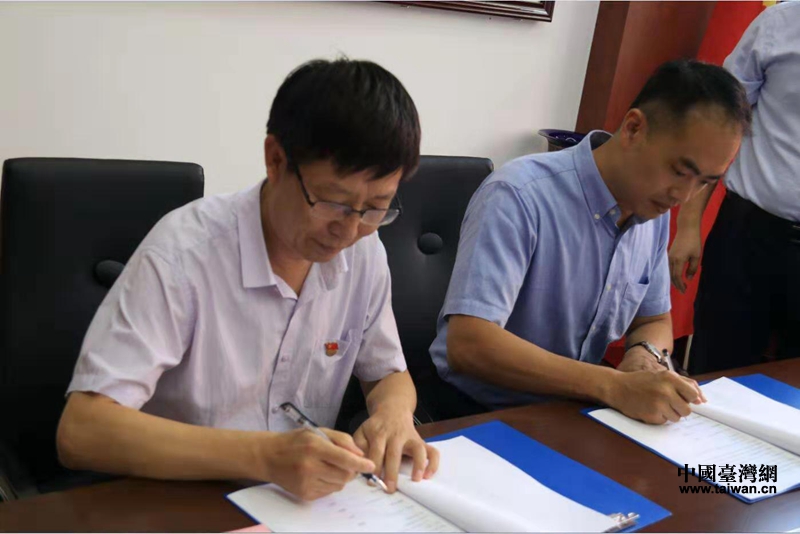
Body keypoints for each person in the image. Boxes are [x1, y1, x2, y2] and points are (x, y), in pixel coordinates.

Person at [56, 58, 438, 501]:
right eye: (333, 202)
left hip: (302, 506)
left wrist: (394, 415)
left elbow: (387, 373)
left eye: (375, 208)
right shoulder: (183, 254)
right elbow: (82, 431)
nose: (350, 230)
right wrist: (264, 456)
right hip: (177, 501)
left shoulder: (364, 252)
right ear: (275, 159)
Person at [430, 59, 751, 425]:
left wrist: (644, 357)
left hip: (576, 410)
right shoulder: (520, 194)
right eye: (679, 171)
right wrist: (612, 385)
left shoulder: (654, 210)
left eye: (705, 182)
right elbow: (469, 344)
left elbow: (655, 320)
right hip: (476, 414)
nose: (684, 195)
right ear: (633, 128)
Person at [669, 2, 800, 374]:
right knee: (716, 375)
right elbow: (719, 124)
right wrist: (688, 225)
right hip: (747, 240)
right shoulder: (779, 23)